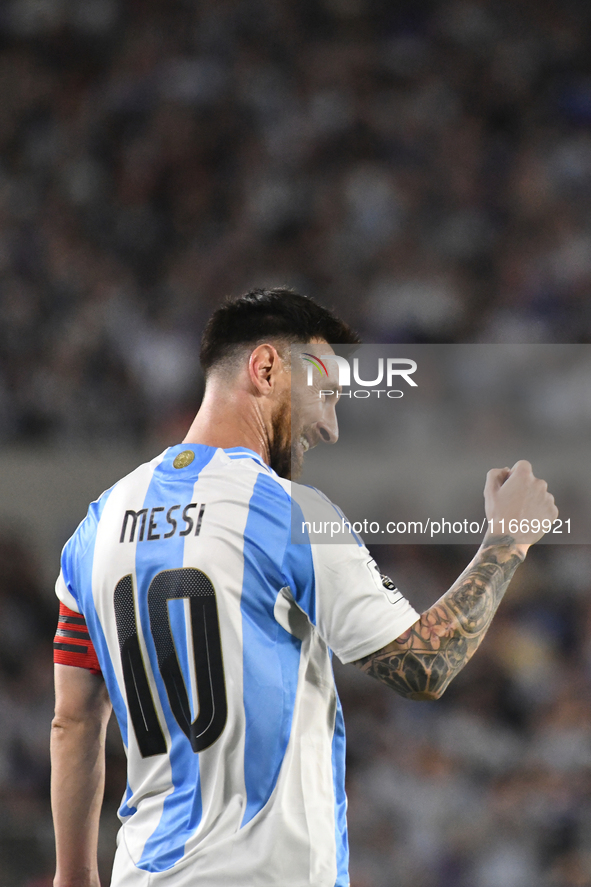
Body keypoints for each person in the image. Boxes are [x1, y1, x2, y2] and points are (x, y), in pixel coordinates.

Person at [51, 288, 558, 887]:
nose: (332, 427)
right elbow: (426, 665)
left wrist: (75, 878)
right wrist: (508, 541)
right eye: (328, 394)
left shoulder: (97, 526)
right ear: (267, 368)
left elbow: (75, 721)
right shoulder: (286, 513)